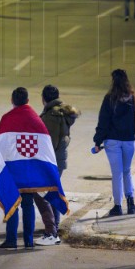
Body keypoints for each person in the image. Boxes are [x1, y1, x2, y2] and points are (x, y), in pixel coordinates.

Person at [0, 87, 68, 250]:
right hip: (30, 171)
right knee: (27, 204)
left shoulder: (7, 119)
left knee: (12, 201)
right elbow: (45, 147)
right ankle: (28, 240)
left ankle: (11, 240)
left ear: (12, 101)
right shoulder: (36, 119)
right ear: (27, 100)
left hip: (13, 170)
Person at [92, 69, 135, 216]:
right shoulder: (134, 97)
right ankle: (131, 203)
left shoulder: (109, 98)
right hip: (129, 140)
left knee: (117, 174)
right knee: (127, 171)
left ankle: (117, 205)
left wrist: (97, 141)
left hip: (112, 141)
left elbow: (103, 122)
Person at [33, 85, 80, 245]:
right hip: (59, 160)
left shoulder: (51, 117)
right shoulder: (61, 113)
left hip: (51, 160)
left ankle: (51, 232)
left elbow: (49, 143)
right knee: (51, 192)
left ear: (44, 98)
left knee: (44, 193)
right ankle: (54, 227)